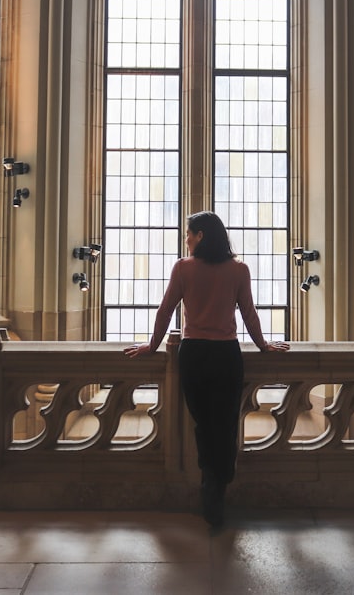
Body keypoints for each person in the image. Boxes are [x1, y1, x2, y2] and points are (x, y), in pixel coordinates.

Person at [124, 211, 289, 529]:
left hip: (195, 354)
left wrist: (153, 345)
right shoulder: (239, 270)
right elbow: (249, 314)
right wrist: (264, 344)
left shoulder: (183, 268)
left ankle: (209, 485)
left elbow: (166, 309)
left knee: (203, 424)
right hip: (226, 355)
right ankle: (218, 486)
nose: (186, 239)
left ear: (200, 235)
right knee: (225, 423)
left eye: (189, 234)